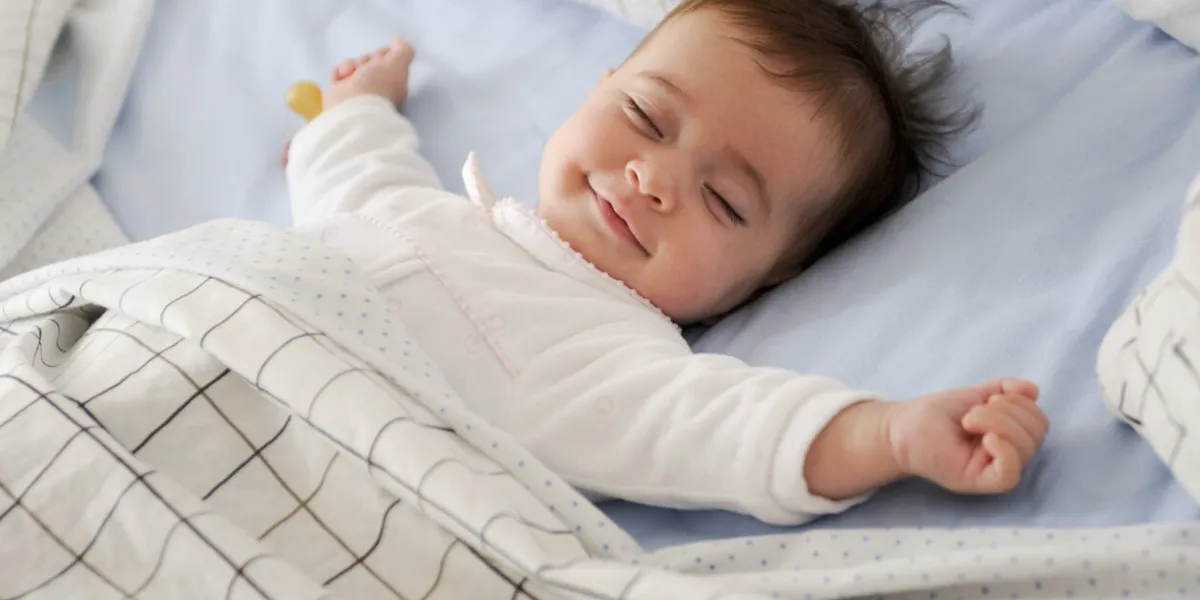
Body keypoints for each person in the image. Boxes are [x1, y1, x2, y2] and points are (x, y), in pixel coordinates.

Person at [284, 0, 1049, 525]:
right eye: (646, 117)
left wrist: (890, 436)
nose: (653, 180)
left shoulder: (602, 354)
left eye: (724, 202)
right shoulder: (425, 216)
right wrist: (357, 110)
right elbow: (357, 179)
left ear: (775, 274)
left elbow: (724, 431)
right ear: (601, 85)